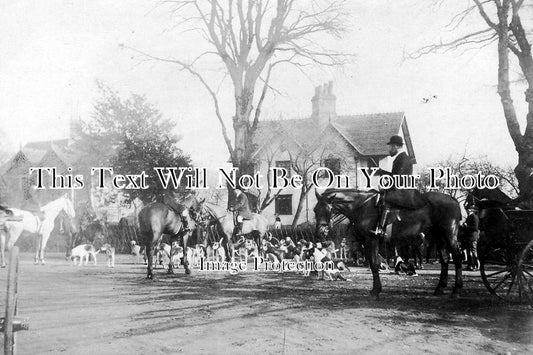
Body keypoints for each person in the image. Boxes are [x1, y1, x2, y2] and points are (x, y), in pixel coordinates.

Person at [371, 135, 425, 237]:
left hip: (403, 192)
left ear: (396, 146)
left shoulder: (403, 159)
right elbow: (395, 175)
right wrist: (382, 172)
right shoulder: (401, 158)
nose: (389, 149)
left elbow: (398, 178)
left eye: (390, 146)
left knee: (385, 198)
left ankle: (381, 229)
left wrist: (386, 186)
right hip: (402, 190)